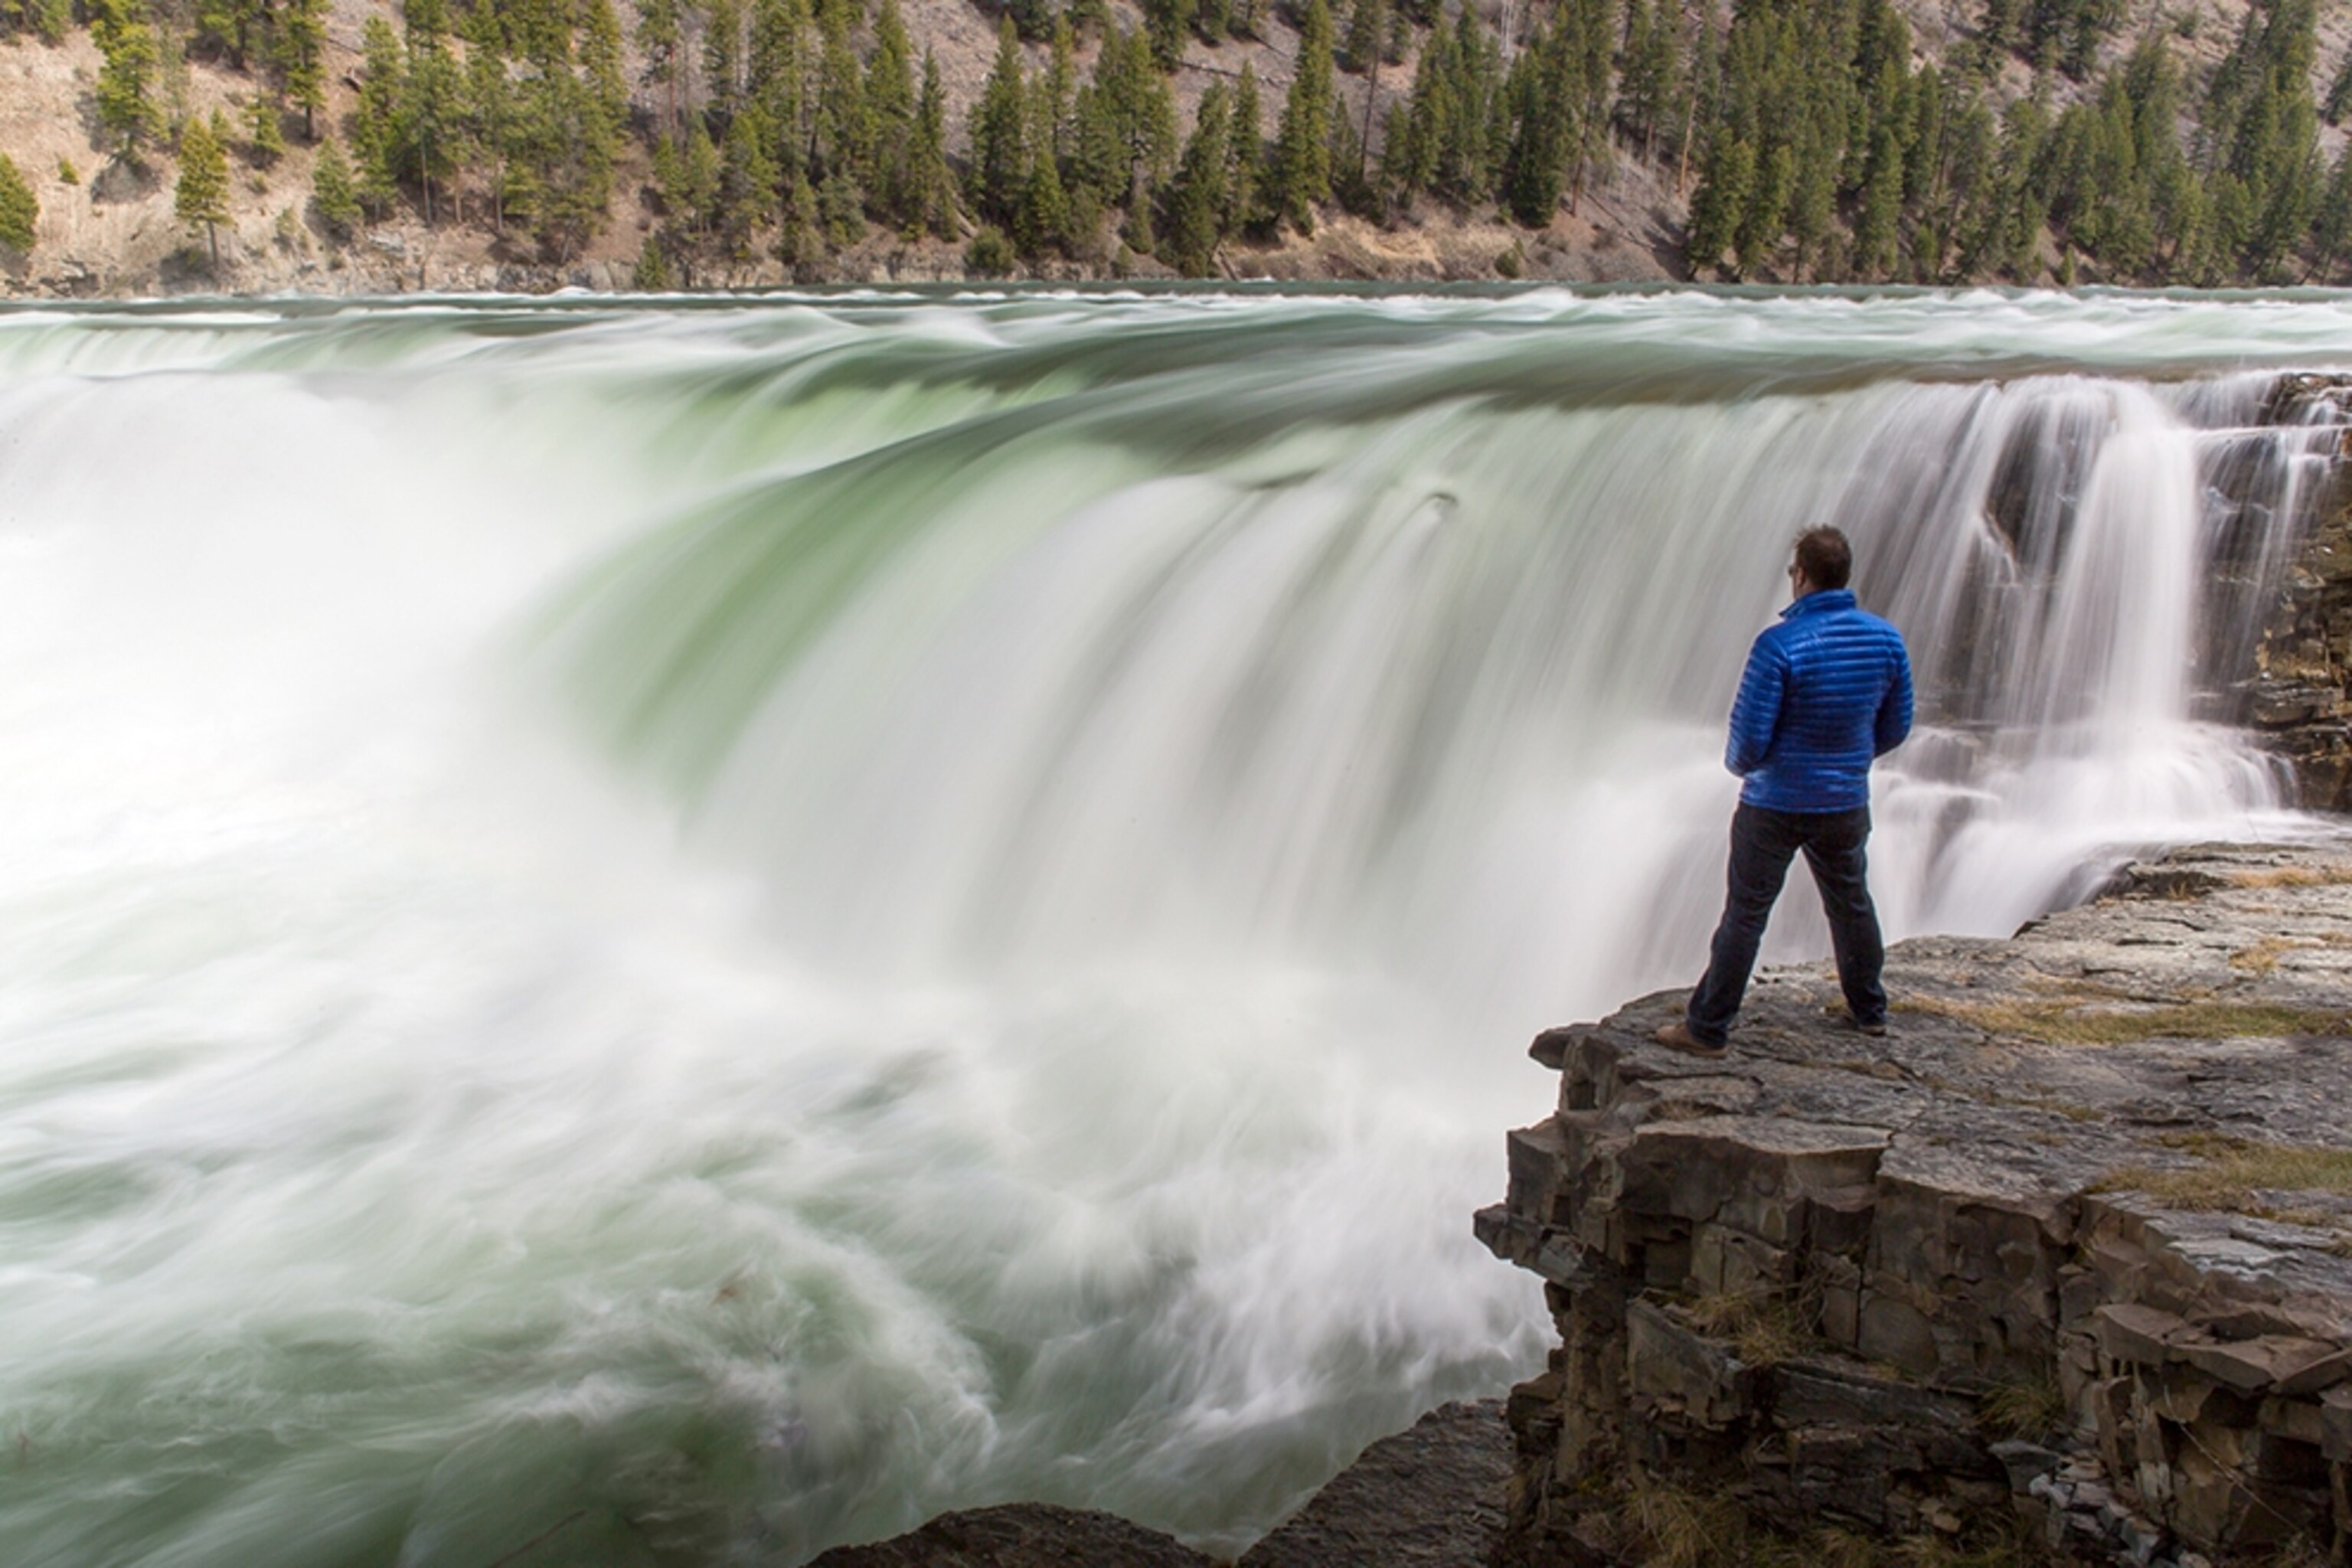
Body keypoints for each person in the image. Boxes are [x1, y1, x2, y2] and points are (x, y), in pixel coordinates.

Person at [1655, 527, 1914, 1059]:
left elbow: (1748, 742)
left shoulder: (1778, 646)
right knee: (1851, 904)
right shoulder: (1886, 640)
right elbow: (1897, 726)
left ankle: (1707, 1028)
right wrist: (1850, 763)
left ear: (1800, 576)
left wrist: (1744, 768)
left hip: (1773, 805)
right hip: (1844, 802)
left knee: (1746, 915)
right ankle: (1870, 1012)